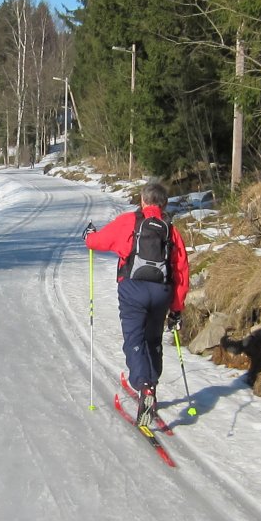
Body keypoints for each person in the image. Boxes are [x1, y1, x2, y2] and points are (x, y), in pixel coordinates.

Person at [84, 180, 191, 429]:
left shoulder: (129, 222)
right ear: (163, 204)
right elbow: (181, 271)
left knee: (134, 339)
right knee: (153, 340)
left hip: (133, 290)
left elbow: (97, 242)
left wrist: (88, 235)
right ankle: (151, 384)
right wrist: (176, 308)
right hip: (161, 293)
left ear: (143, 201)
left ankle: (143, 386)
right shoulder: (170, 231)